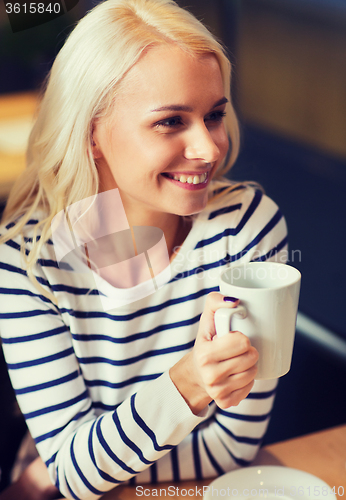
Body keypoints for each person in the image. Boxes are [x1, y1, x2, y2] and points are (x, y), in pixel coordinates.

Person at [0, 0, 288, 498]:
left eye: (214, 114)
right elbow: (75, 476)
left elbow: (233, 447)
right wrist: (188, 385)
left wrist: (74, 464)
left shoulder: (246, 228)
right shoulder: (26, 268)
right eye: (171, 121)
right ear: (91, 133)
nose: (209, 148)